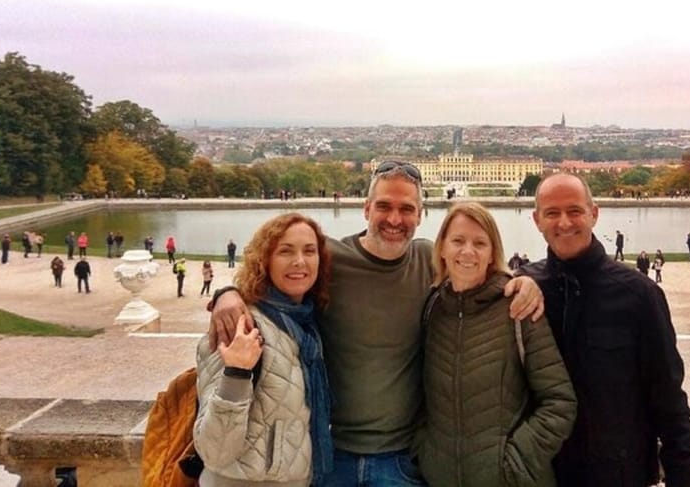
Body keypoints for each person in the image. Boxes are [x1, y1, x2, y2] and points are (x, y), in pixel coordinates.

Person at [211, 160, 542, 486]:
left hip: (401, 458)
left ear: (420, 215)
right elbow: (274, 280)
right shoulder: (330, 259)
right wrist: (227, 294)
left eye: (407, 208)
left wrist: (522, 282)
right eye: (384, 206)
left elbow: (478, 271)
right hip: (328, 455)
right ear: (366, 209)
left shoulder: (429, 261)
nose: (395, 219)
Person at [521, 172, 690, 486]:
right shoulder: (523, 286)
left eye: (574, 211)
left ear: (594, 214)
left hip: (617, 474)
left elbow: (668, 397)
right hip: (541, 474)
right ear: (537, 220)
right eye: (552, 213)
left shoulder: (639, 294)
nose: (564, 222)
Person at [418, 202, 576, 486]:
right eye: (457, 241)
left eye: (480, 243)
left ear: (492, 254)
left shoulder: (518, 308)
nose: (468, 252)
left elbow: (559, 402)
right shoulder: (433, 309)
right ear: (441, 248)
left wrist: (514, 462)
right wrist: (424, 452)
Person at [194, 213, 334, 485]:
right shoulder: (240, 324)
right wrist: (236, 373)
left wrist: (225, 292)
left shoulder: (305, 322)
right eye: (285, 251)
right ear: (264, 259)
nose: (299, 261)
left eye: (309, 251)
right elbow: (213, 451)